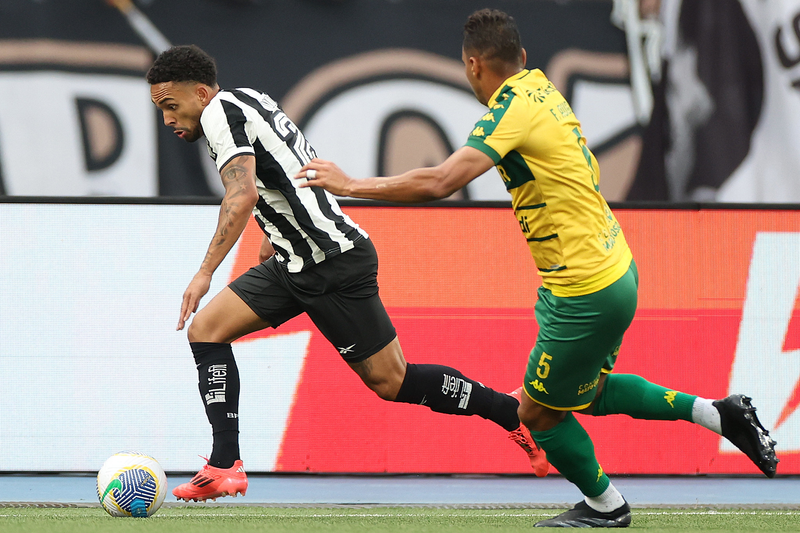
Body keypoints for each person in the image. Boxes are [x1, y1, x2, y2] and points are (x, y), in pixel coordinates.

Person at [295, 8, 779, 528]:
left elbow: (440, 181)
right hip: (612, 266)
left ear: (474, 65)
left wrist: (350, 185)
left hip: (584, 288)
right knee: (586, 392)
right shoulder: (542, 88)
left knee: (535, 413)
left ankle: (606, 505)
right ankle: (718, 413)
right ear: (522, 57)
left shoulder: (511, 109)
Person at [145, 44, 548, 502]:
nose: (168, 120)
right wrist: (272, 238)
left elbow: (242, 196)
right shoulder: (249, 100)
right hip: (294, 261)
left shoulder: (220, 113)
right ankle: (224, 465)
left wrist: (204, 274)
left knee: (392, 382)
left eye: (171, 106)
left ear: (201, 93)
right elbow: (286, 173)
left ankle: (507, 410)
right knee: (206, 331)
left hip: (332, 264)